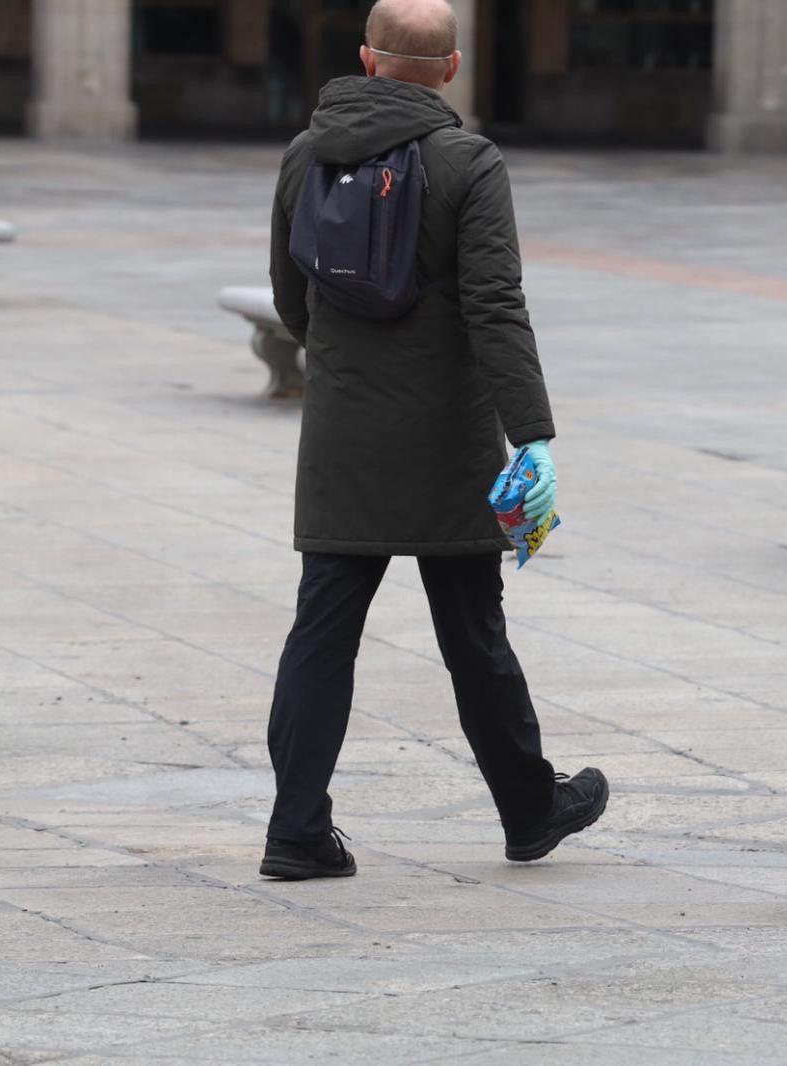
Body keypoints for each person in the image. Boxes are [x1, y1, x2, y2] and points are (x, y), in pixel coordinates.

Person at [260, 0, 606, 880]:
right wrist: (531, 436)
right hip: (448, 439)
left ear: (367, 60)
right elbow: (495, 305)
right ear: (452, 70)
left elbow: (290, 297)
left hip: (342, 432)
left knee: (321, 633)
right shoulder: (468, 160)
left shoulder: (307, 152)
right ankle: (530, 811)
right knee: (472, 633)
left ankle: (296, 831)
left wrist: (340, 363)